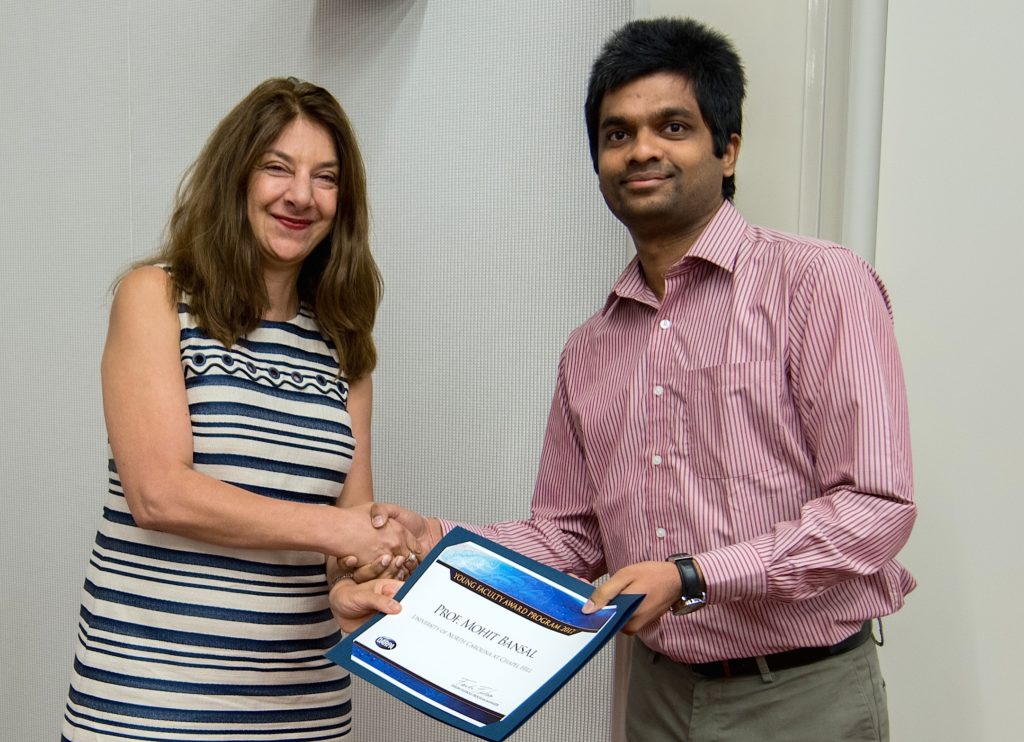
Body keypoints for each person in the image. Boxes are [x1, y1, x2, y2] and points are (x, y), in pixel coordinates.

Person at [339, 17, 916, 742]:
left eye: (671, 126)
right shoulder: (590, 349)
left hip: (802, 695)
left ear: (727, 146)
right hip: (656, 697)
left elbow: (876, 507)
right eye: (617, 134)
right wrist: (436, 538)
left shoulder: (818, 284)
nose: (641, 149)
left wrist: (694, 575)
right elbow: (572, 539)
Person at [61, 77, 423, 741]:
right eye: (276, 168)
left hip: (303, 713)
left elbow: (351, 537)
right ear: (236, 178)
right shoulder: (158, 300)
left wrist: (355, 588)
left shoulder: (345, 347)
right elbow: (160, 496)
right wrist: (338, 532)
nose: (300, 196)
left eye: (325, 178)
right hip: (147, 709)